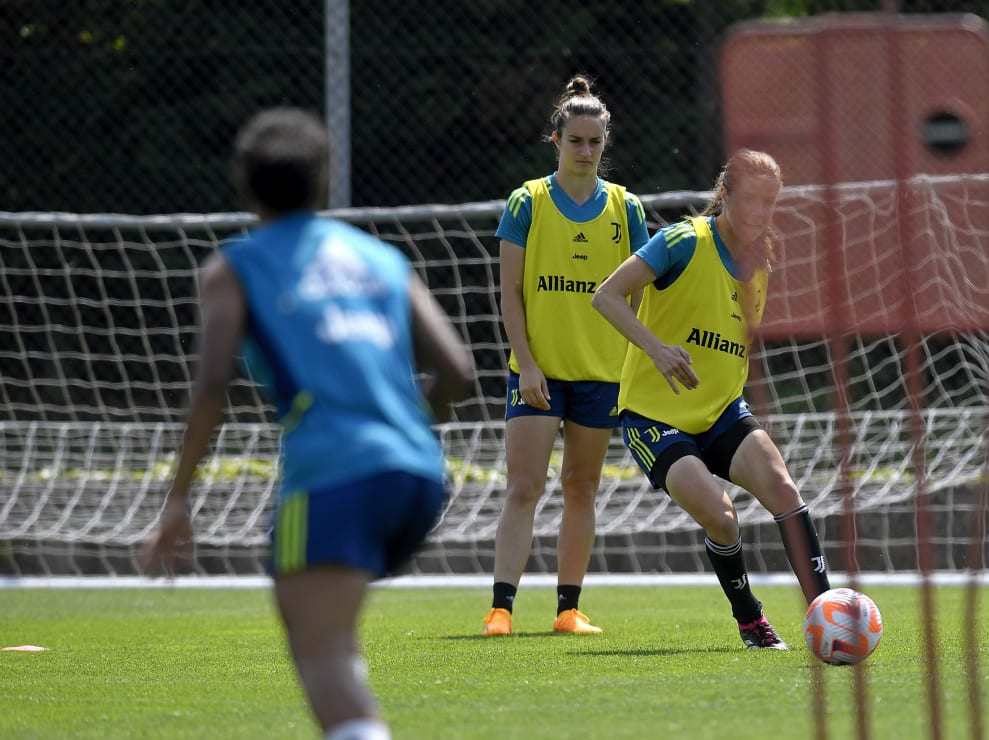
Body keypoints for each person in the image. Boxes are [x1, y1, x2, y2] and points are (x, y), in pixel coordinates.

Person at [142, 107, 474, 740]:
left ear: (243, 185)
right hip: (417, 478)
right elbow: (456, 366)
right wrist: (408, 435)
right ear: (323, 182)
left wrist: (178, 499)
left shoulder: (233, 268)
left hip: (333, 476)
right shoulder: (378, 258)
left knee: (319, 653)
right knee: (336, 648)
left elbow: (213, 383)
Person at [591, 149, 831, 650]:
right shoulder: (683, 241)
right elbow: (606, 296)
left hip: (721, 411)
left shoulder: (761, 261)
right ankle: (751, 620)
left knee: (784, 490)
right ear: (724, 195)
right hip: (656, 416)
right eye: (751, 200)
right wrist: (655, 348)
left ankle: (826, 613)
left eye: (771, 202)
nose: (761, 212)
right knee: (722, 517)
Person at [482, 74, 649, 637]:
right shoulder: (527, 201)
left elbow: (639, 299)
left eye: (594, 141)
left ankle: (568, 610)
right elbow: (509, 292)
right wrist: (526, 364)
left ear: (606, 143)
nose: (585, 150)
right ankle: (501, 609)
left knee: (581, 488)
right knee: (524, 486)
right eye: (574, 140)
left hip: (601, 376)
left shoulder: (626, 210)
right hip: (538, 373)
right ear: (555, 140)